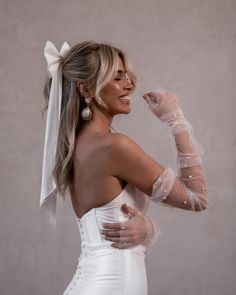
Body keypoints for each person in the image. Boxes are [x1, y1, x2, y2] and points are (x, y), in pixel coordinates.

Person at [40, 40, 209, 295]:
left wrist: (148, 230)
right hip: (111, 285)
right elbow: (197, 197)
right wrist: (175, 120)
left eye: (126, 75)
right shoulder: (113, 146)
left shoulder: (80, 146)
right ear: (86, 89)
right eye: (116, 77)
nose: (129, 83)